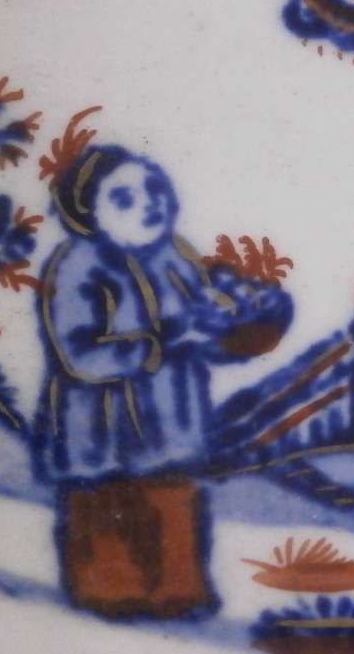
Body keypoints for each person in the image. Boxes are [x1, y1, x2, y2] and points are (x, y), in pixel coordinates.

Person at [35, 145, 238, 618]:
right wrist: (160, 342)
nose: (150, 204)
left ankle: (178, 591)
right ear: (87, 210)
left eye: (155, 190)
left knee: (171, 502)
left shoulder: (177, 255)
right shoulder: (77, 264)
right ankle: (110, 593)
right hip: (100, 426)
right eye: (124, 198)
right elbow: (79, 354)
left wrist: (223, 325)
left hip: (172, 417)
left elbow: (200, 321)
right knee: (106, 508)